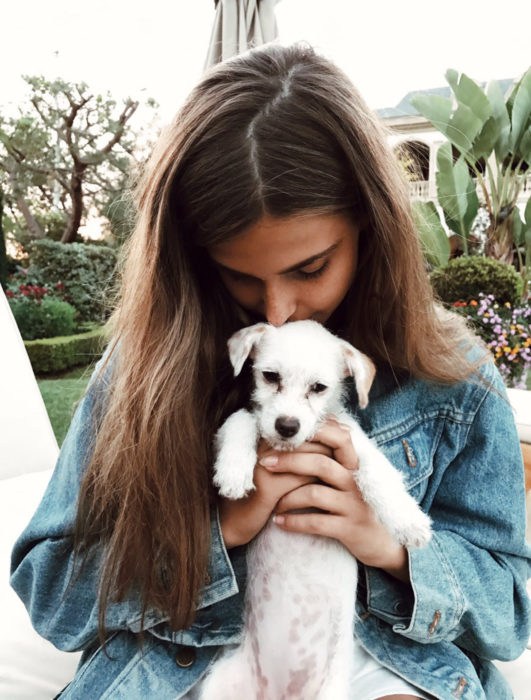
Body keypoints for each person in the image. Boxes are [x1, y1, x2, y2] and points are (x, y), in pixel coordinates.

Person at [10, 43, 530, 700]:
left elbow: (508, 613)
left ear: (372, 230)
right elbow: (52, 591)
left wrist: (386, 547)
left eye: (309, 268)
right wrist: (218, 533)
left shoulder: (453, 376)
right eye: (238, 275)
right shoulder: (144, 369)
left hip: (384, 665)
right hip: (182, 667)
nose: (277, 312)